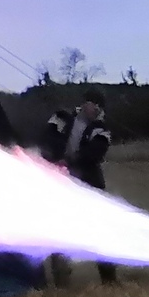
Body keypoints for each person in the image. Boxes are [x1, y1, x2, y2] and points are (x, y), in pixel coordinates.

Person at [44, 96, 116, 284]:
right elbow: (48, 137)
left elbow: (94, 153)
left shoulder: (102, 130)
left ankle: (109, 279)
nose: (97, 109)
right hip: (59, 183)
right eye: (95, 104)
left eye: (100, 107)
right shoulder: (61, 117)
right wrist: (54, 158)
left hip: (89, 185)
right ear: (85, 103)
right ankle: (62, 280)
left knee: (99, 230)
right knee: (59, 230)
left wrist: (68, 161)